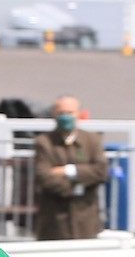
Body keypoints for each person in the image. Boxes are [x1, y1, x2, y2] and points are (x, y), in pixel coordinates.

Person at [32, 95, 108, 242]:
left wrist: (68, 171)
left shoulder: (92, 141)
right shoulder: (44, 143)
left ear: (79, 114)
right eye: (61, 113)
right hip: (54, 220)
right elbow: (44, 177)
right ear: (54, 115)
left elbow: (101, 171)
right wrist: (77, 187)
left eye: (69, 113)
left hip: (86, 219)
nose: (65, 117)